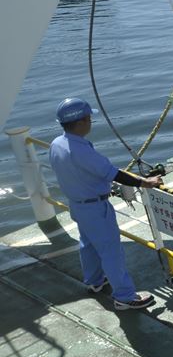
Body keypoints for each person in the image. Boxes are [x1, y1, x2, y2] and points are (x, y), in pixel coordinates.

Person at [48, 98, 162, 311]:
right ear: (81, 121)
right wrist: (144, 182)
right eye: (89, 118)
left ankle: (95, 281)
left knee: (88, 244)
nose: (91, 122)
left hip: (77, 204)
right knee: (111, 252)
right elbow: (112, 173)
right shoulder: (80, 150)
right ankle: (125, 297)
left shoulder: (57, 144)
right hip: (95, 208)